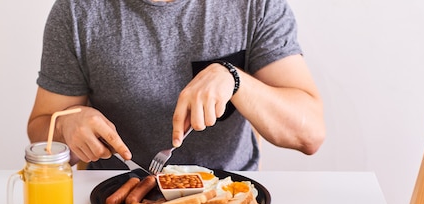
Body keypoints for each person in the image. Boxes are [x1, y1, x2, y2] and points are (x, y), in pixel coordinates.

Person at [27, 0, 325, 171]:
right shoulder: (77, 11)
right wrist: (67, 127)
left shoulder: (255, 5)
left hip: (230, 203)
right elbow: (42, 127)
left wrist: (235, 80)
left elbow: (309, 133)